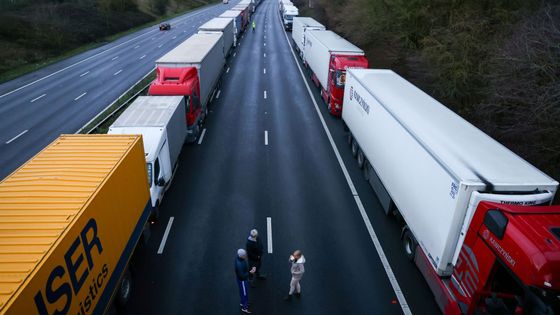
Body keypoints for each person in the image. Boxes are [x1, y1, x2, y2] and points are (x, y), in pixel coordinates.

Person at [235, 249, 255, 313]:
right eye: (244, 255)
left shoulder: (239, 259)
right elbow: (242, 276)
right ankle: (245, 307)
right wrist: (250, 272)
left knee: (242, 292)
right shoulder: (239, 265)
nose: (245, 255)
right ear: (241, 256)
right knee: (244, 293)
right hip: (242, 281)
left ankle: (242, 302)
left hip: (241, 280)